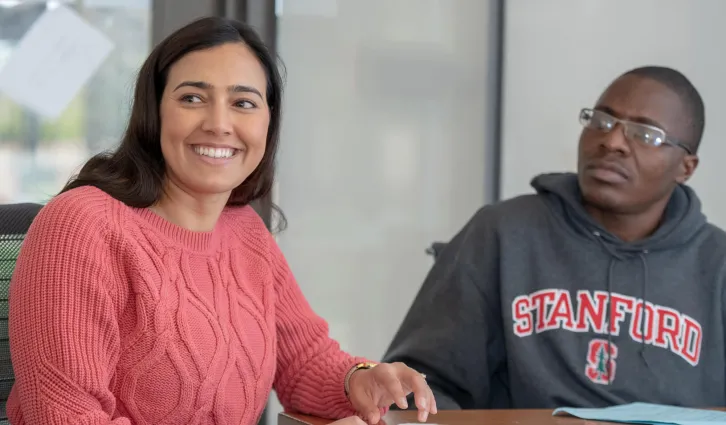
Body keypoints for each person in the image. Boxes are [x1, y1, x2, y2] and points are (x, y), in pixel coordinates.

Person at [6, 17, 437, 425]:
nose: (218, 124)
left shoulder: (245, 230)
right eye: (192, 98)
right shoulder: (80, 227)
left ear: (268, 122)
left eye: (243, 103)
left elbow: (304, 361)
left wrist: (359, 378)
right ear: (154, 112)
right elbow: (70, 418)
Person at [383, 66, 725, 409]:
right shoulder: (504, 234)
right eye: (601, 121)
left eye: (645, 134)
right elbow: (416, 386)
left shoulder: (717, 265)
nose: (613, 141)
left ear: (686, 167)